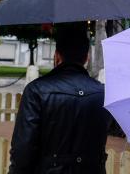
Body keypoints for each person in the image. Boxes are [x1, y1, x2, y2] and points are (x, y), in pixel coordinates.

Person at [9, 28, 110, 174]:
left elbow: (23, 150)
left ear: (56, 56)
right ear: (86, 58)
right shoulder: (103, 93)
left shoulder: (36, 90)